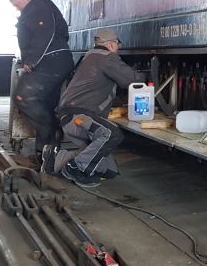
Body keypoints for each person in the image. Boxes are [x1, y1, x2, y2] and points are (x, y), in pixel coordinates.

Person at [41, 28, 136, 187]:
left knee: (109, 170)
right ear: (111, 44)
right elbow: (131, 79)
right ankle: (75, 168)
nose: (118, 49)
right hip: (79, 117)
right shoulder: (107, 57)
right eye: (117, 45)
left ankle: (54, 158)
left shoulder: (88, 57)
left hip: (69, 117)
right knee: (111, 134)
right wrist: (147, 77)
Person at [8, 0, 73, 163]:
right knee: (45, 104)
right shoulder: (36, 9)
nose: (16, 7)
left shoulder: (39, 7)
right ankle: (45, 152)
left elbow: (44, 35)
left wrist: (31, 61)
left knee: (23, 97)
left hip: (52, 61)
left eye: (17, 3)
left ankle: (53, 132)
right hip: (52, 61)